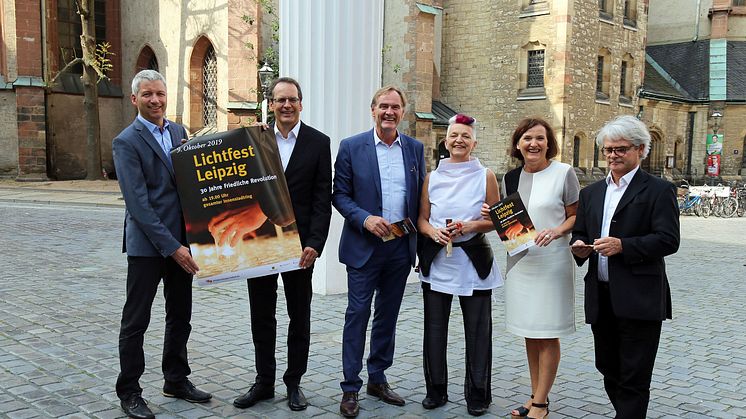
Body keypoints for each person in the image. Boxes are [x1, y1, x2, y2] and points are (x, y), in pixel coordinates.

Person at [229, 77, 332, 411]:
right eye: (279, 100)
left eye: (292, 99)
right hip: (259, 240)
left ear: (301, 103)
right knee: (261, 315)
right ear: (270, 104)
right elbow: (237, 187)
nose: (286, 105)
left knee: (298, 316)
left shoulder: (319, 142)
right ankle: (264, 382)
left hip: (301, 247)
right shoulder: (254, 140)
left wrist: (315, 243)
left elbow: (322, 199)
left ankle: (294, 383)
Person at [113, 69, 211, 419]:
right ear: (134, 99)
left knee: (180, 315)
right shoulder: (126, 141)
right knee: (136, 320)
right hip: (148, 246)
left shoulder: (177, 131)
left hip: (182, 243)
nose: (155, 100)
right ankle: (129, 391)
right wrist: (172, 246)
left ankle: (176, 378)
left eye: (160, 94)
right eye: (148, 95)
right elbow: (138, 204)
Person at [570, 115, 680, 419]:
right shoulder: (590, 193)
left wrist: (624, 246)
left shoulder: (658, 190)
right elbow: (580, 233)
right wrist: (579, 248)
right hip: (601, 295)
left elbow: (668, 240)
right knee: (607, 366)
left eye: (621, 149)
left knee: (634, 373)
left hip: (639, 296)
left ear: (641, 150)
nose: (613, 155)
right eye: (608, 150)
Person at [332, 85, 425, 417]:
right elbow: (340, 195)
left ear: (402, 112)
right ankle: (350, 387)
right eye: (383, 106)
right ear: (372, 110)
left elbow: (421, 198)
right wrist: (365, 219)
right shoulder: (351, 147)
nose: (389, 112)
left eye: (395, 107)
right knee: (357, 316)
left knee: (387, 316)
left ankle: (378, 378)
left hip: (400, 248)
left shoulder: (414, 149)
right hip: (363, 247)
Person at [490, 117, 580, 419]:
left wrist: (557, 231)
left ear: (548, 144)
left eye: (540, 138)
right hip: (521, 264)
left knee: (547, 332)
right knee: (530, 332)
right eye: (527, 138)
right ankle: (534, 396)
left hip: (552, 262)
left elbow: (575, 217)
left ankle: (541, 404)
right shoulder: (510, 178)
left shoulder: (564, 173)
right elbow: (512, 223)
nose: (534, 143)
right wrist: (493, 216)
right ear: (518, 144)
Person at [416, 114, 502, 416]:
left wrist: (470, 225)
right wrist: (432, 232)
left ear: (474, 142)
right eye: (454, 135)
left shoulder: (486, 176)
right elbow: (422, 219)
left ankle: (478, 393)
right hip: (438, 260)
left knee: (478, 333)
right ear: (446, 140)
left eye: (465, 136)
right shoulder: (432, 177)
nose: (459, 140)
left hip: (474, 261)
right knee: (435, 330)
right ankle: (435, 390)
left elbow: (496, 221)